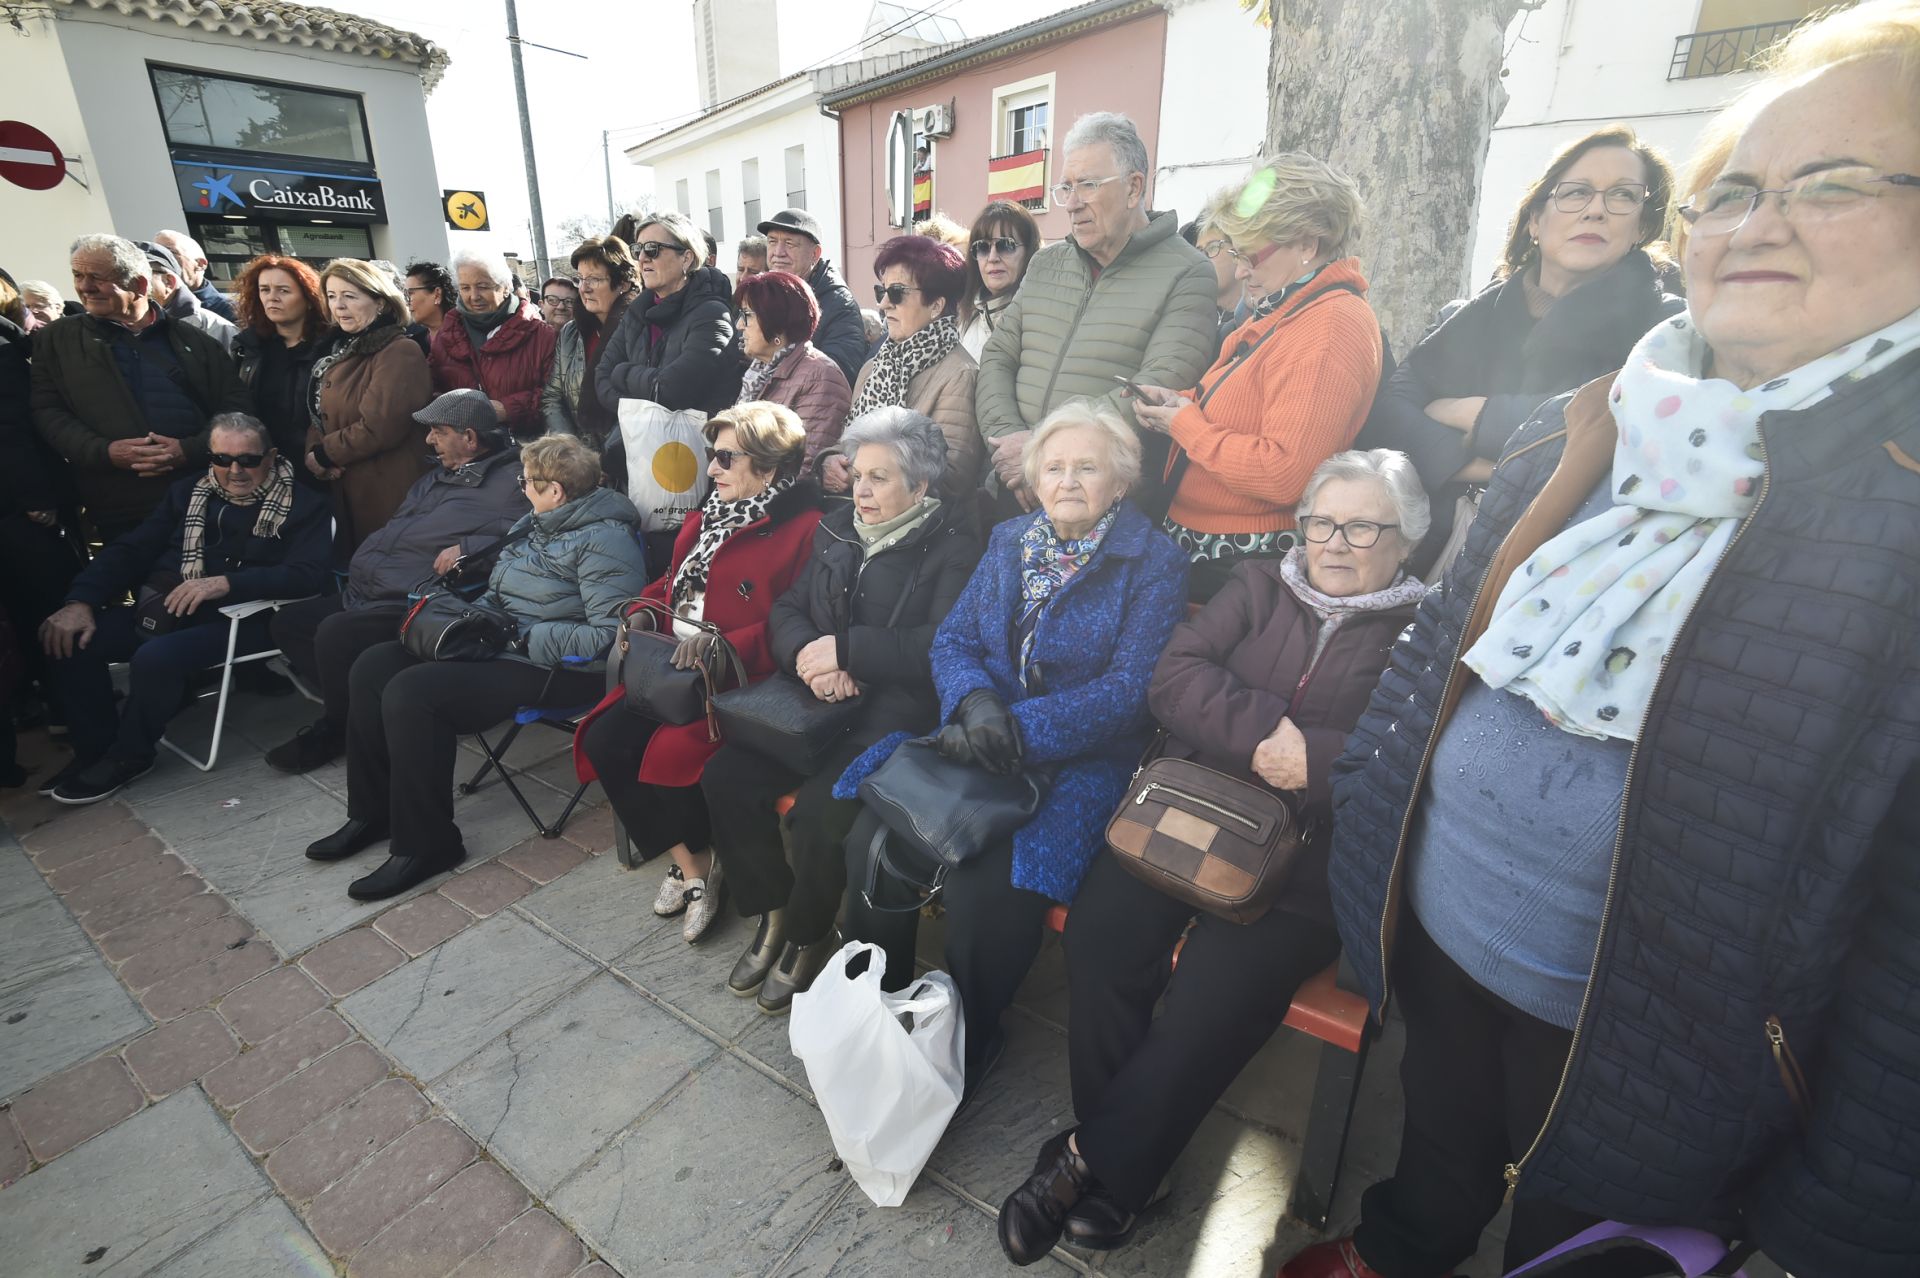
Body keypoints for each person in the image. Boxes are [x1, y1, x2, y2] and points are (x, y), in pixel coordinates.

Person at [1289, 10, 1920, 1276]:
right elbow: (1430, 665)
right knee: (1443, 1126)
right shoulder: (1592, 427)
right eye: (1732, 190)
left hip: (1668, 1048)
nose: (1759, 222)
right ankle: (1403, 1248)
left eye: (1835, 183)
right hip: (1450, 927)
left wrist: (1840, 1226)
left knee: (1585, 1230)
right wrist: (1373, 839)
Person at [995, 449, 1429, 1262]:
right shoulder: (1260, 585)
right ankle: (1132, 1168)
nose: (1336, 543)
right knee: (1103, 940)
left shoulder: (1420, 632)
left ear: (1406, 540)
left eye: (1364, 526)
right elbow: (1174, 675)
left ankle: (1095, 1164)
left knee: (1213, 998)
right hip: (1188, 811)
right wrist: (1264, 733)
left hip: (1304, 858)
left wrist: (1322, 760)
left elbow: (1414, 748)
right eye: (1323, 522)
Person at [838, 401, 1187, 1089]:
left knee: (990, 889)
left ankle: (968, 1037)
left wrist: (1020, 730)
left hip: (1080, 759)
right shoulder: (1012, 540)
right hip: (976, 733)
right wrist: (975, 703)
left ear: (1121, 481)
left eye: (1087, 467)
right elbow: (956, 640)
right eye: (1053, 467)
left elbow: (1129, 692)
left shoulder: (1154, 562)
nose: (1067, 481)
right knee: (871, 844)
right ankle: (878, 1009)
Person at [704, 408, 982, 1012]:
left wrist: (848, 652)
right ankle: (774, 912)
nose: (861, 490)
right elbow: (788, 609)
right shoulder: (837, 528)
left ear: (922, 484)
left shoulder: (955, 544)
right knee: (725, 777)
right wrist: (810, 654)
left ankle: (808, 934)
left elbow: (943, 642)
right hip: (811, 699)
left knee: (819, 818)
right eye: (857, 474)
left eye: (880, 478)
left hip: (892, 717)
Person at [312, 434, 647, 901]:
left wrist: (521, 636)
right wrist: (475, 621)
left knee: (414, 693)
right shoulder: (532, 523)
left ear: (556, 491)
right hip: (502, 644)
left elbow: (611, 635)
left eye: (527, 481)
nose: (521, 487)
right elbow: (500, 593)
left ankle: (428, 844)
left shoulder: (606, 539)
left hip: (556, 667)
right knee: (373, 666)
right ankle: (373, 812)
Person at [1365, 125, 1681, 578]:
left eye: (1622, 196)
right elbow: (1391, 413)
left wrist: (1473, 412)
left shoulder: (1666, 326)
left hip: (1565, 560)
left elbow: (1618, 430)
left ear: (1642, 226)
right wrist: (1475, 465)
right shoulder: (1465, 316)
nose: (1596, 211)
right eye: (1575, 193)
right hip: (1429, 544)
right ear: (1536, 220)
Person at [573, 403, 822, 943]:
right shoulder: (709, 515)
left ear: (770, 467)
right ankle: (694, 864)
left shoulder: (804, 529)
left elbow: (798, 619)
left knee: (664, 752)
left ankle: (701, 868)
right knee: (607, 739)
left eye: (727, 458)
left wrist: (723, 646)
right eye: (714, 456)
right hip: (669, 668)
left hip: (736, 684)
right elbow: (672, 583)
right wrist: (644, 605)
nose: (712, 469)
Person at [38, 413, 330, 803]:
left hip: (252, 616)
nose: (235, 470)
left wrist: (227, 583)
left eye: (248, 459)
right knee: (72, 639)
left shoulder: (304, 504)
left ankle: (130, 755)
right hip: (172, 609)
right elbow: (133, 550)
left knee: (156, 657)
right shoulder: (188, 493)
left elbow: (308, 575)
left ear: (272, 455)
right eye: (222, 459)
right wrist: (81, 599)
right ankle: (96, 752)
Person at [1130, 156, 1383, 588]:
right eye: (1236, 253)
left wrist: (1186, 425)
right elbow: (1245, 408)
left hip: (1238, 569)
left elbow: (1284, 473)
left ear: (1307, 244)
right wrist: (1181, 404)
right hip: (1214, 554)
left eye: (1250, 255)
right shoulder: (1292, 311)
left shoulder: (1330, 327)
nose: (1242, 270)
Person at [266, 389, 526, 774]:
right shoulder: (437, 477)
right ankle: (361, 715)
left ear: (469, 438)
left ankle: (338, 729)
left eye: (437, 431)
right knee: (288, 623)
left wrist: (472, 547)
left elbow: (532, 533)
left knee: (336, 633)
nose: (428, 439)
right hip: (366, 590)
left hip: (418, 600)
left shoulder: (511, 483)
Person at [975, 113, 1219, 523]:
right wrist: (1011, 449)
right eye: (1065, 188)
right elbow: (998, 357)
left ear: (1133, 187)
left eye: (1087, 185)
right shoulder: (1046, 264)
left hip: (1100, 506)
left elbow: (1154, 387)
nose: (1071, 203)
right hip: (1014, 489)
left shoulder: (1188, 272)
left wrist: (1044, 457)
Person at [31, 234, 250, 541]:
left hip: (203, 498)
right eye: (78, 275)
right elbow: (47, 411)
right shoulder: (55, 341)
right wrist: (105, 452)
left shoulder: (196, 341)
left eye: (97, 277)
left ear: (140, 286)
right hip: (118, 508)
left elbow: (236, 407)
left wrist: (190, 450)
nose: (84, 287)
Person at [0, 268, 84, 788]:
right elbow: (10, 433)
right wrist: (37, 500)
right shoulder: (6, 349)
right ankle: (71, 710)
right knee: (51, 609)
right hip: (21, 513)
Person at [595, 212, 739, 491]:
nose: (642, 259)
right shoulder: (637, 312)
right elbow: (601, 378)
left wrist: (622, 373)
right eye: (638, 250)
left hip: (693, 466)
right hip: (638, 459)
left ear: (686, 257)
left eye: (653, 249)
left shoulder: (712, 314)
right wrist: (643, 400)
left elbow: (672, 389)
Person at [835, 236, 981, 504]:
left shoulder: (961, 374)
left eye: (897, 293)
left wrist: (868, 477)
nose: (883, 304)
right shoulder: (873, 367)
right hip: (857, 514)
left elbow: (952, 478)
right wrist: (830, 461)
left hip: (919, 530)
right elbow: (845, 442)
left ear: (936, 305)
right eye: (882, 292)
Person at [308, 259, 435, 556]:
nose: (338, 306)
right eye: (331, 296)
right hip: (347, 485)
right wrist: (313, 452)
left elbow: (382, 426)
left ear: (379, 302)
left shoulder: (399, 350)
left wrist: (325, 453)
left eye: (350, 296)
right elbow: (319, 411)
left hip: (388, 489)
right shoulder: (339, 350)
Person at [428, 248, 557, 441]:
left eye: (483, 286)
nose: (474, 296)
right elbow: (433, 387)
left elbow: (555, 395)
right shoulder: (446, 334)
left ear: (505, 287)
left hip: (526, 449)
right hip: (467, 451)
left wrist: (507, 409)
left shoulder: (542, 335)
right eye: (465, 288)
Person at [734, 269, 851, 466]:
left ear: (777, 321)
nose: (739, 325)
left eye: (747, 315)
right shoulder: (759, 372)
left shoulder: (820, 376)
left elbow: (804, 465)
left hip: (779, 495)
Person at [231, 255, 328, 480]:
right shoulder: (247, 347)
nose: (272, 298)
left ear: (308, 296)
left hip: (318, 462)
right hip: (264, 464)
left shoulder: (331, 347)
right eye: (264, 290)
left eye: (283, 290)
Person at [541, 236, 640, 454]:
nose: (584, 289)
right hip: (579, 458)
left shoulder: (640, 330)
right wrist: (574, 450)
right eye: (580, 279)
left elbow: (638, 406)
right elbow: (552, 397)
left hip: (628, 457)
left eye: (594, 279)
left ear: (623, 283)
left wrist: (605, 457)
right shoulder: (571, 332)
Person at [759, 208, 869, 384]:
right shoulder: (764, 295)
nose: (778, 252)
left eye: (789, 244)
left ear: (815, 254)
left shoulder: (839, 304)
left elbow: (837, 377)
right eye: (772, 242)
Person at [958, 201, 1041, 360]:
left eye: (1006, 245)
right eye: (982, 247)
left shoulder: (1040, 320)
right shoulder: (965, 319)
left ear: (1030, 251)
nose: (992, 258)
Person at [135, 240, 238, 353]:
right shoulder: (121, 329)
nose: (127, 285)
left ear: (168, 281)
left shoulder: (215, 327)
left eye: (139, 277)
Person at [1181, 213, 1248, 356]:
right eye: (1198, 252)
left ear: (1237, 249)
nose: (1202, 259)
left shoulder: (1262, 316)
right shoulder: (1190, 321)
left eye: (1212, 247)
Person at [153, 229, 237, 322]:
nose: (160, 261)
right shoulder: (147, 310)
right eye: (153, 255)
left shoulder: (231, 311)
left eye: (170, 253)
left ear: (200, 264)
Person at [404, 261, 455, 338]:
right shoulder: (415, 345)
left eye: (410, 293)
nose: (407, 303)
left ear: (437, 294)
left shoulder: (468, 335)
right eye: (405, 295)